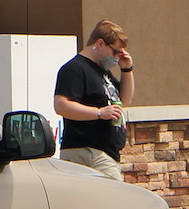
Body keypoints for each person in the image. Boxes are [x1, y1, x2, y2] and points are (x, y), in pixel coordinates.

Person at [53, 19, 134, 180]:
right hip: (87, 152)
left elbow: (124, 99)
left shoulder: (102, 72)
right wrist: (99, 112)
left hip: (106, 153)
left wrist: (127, 69)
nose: (117, 57)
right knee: (115, 200)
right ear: (100, 43)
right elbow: (61, 105)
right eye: (115, 52)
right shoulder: (75, 69)